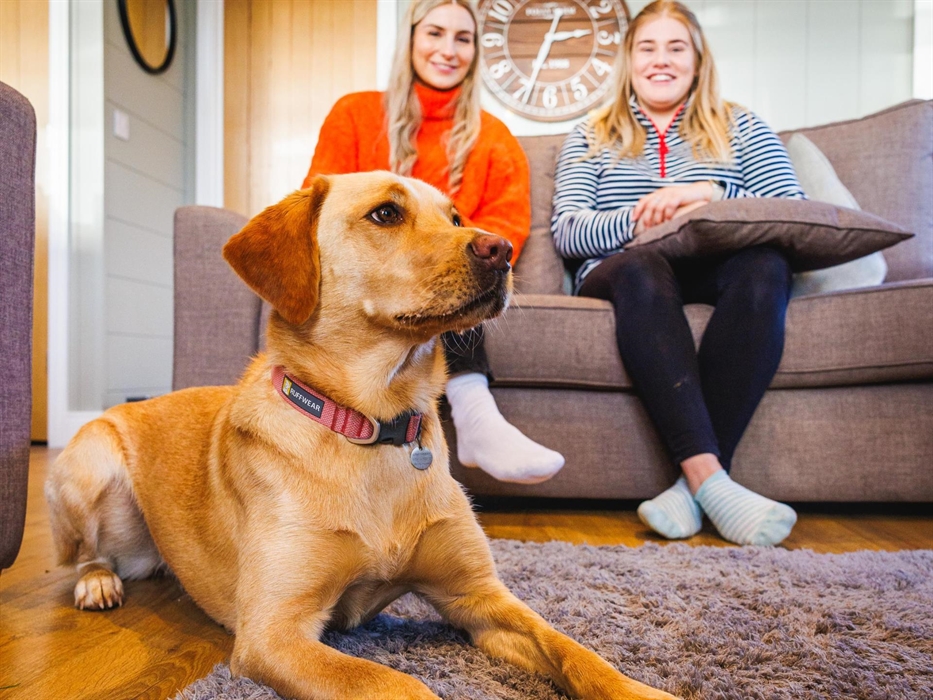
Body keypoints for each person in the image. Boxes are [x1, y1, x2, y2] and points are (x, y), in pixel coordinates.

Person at [552, 0, 805, 546]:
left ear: (697, 61)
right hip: (626, 272)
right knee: (643, 265)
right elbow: (569, 232)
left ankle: (693, 489)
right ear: (629, 59)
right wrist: (647, 217)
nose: (660, 60)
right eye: (647, 47)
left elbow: (791, 211)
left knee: (767, 265)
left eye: (676, 47)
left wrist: (712, 195)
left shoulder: (741, 127)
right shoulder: (590, 135)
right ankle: (713, 479)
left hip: (718, 265)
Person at [303, 0, 564, 484]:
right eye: (435, 33)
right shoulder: (355, 115)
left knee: (461, 273)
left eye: (463, 39)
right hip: (377, 281)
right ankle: (475, 410)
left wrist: (443, 254)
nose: (448, 49)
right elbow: (319, 219)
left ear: (475, 52)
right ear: (411, 40)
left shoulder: (494, 136)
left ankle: (475, 413)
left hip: (450, 280)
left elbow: (503, 229)